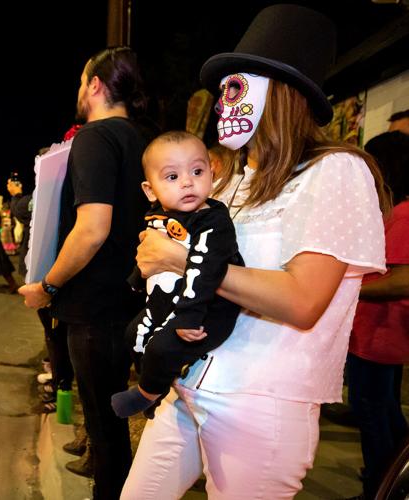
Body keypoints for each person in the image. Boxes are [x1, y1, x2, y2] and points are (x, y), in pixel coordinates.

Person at [122, 6, 390, 498]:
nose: (223, 105)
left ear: (283, 93)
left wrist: (182, 260)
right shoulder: (235, 183)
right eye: (222, 91)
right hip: (192, 384)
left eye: (235, 88)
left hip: (261, 403)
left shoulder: (336, 172)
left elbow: (303, 301)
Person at [19, 46, 150, 500]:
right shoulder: (140, 138)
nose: (79, 90)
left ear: (95, 85)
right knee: (115, 424)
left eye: (81, 81)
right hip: (129, 298)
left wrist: (47, 286)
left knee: (106, 431)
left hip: (95, 306)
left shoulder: (95, 138)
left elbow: (92, 228)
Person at [110, 131, 243, 420]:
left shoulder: (213, 221)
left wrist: (189, 316)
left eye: (197, 171)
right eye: (172, 177)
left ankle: (146, 393)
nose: (187, 182)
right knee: (132, 335)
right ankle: (156, 384)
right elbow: (148, 250)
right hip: (168, 300)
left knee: (162, 346)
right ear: (150, 190)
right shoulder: (159, 213)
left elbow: (204, 270)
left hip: (206, 310)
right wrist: (136, 281)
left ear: (212, 172)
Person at [346, 129, 409, 499]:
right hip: (377, 336)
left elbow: (402, 281)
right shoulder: (396, 210)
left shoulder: (402, 215)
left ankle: (380, 490)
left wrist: (350, 291)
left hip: (377, 339)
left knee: (372, 414)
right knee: (384, 413)